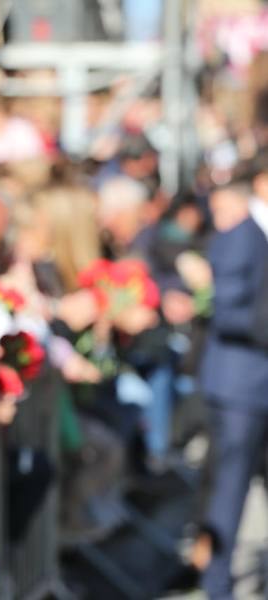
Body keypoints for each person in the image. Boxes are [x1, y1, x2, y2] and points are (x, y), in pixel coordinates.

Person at [199, 177, 268, 599]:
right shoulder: (243, 233)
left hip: (255, 382)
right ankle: (216, 585)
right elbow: (227, 310)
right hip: (241, 386)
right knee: (230, 487)